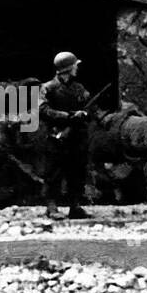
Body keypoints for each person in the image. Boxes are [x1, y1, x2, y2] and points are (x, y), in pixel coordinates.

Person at [38, 51, 92, 220]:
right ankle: (51, 207)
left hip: (76, 137)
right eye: (75, 65)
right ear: (68, 68)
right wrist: (68, 116)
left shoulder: (79, 88)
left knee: (77, 172)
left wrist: (83, 114)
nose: (77, 68)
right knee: (53, 173)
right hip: (57, 136)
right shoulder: (47, 88)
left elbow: (89, 107)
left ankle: (75, 206)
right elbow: (43, 110)